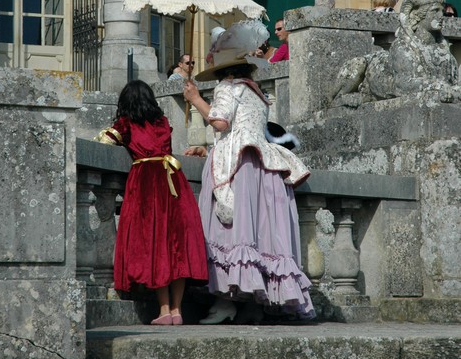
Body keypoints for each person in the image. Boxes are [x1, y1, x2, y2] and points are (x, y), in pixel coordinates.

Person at [183, 20, 315, 325]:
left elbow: (221, 123)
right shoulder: (256, 91)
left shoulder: (228, 87)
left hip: (238, 165)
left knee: (232, 230)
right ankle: (256, 304)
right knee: (261, 234)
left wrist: (195, 99)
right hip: (261, 165)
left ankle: (226, 302)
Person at [96, 80, 208, 325]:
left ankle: (164, 309)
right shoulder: (163, 122)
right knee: (176, 245)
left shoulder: (127, 123)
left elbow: (105, 140)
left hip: (147, 182)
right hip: (174, 182)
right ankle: (178, 311)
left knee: (155, 244)